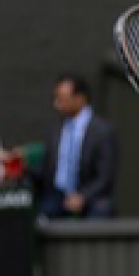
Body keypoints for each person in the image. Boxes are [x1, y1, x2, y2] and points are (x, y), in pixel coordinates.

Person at [41, 74, 118, 218]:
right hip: (57, 195)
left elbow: (105, 177)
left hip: (91, 197)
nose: (57, 104)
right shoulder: (56, 129)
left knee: (100, 214)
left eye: (62, 99)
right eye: (56, 99)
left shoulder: (102, 132)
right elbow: (47, 167)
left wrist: (83, 196)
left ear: (80, 98)